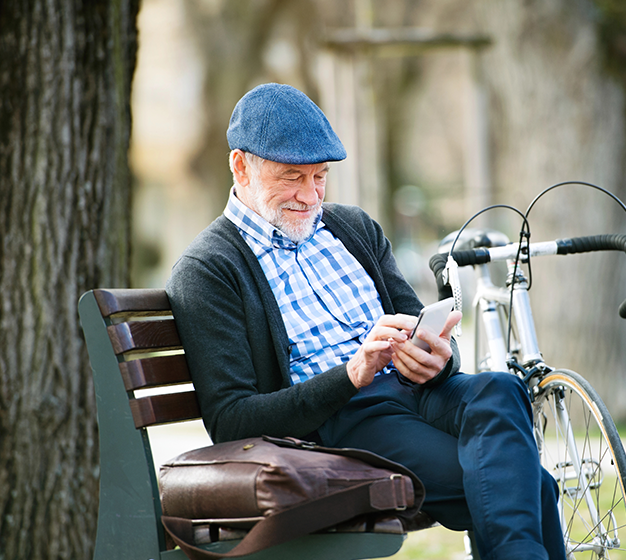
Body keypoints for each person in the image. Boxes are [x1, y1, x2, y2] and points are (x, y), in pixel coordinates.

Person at [166, 83, 566, 560]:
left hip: (421, 391)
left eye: (320, 177)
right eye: (292, 177)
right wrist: (352, 374)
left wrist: (438, 357)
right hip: (345, 418)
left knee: (502, 388)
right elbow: (232, 420)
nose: (309, 195)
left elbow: (420, 324)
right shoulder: (209, 269)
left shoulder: (352, 228)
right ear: (240, 166)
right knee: (528, 483)